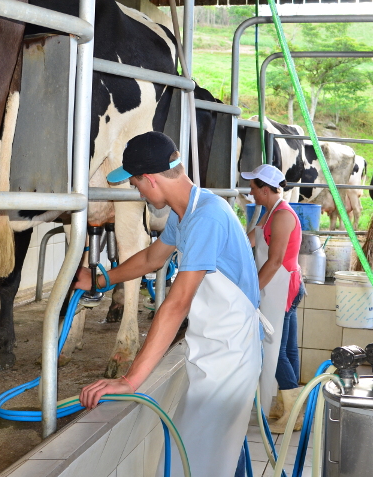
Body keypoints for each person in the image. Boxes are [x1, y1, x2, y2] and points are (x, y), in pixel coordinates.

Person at [76, 131, 262, 477]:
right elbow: (151, 259)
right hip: (212, 346)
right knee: (203, 456)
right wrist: (100, 280)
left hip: (230, 354)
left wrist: (130, 381)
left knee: (200, 461)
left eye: (135, 183)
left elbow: (176, 305)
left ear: (150, 180)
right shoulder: (185, 212)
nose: (136, 191)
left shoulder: (207, 216)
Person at [242, 164, 306, 434]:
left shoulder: (282, 216)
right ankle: (287, 404)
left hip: (284, 287)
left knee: (276, 349)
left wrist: (252, 292)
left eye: (254, 188)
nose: (251, 192)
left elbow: (276, 260)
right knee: (288, 348)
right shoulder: (270, 213)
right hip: (283, 286)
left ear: (265, 190)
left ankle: (293, 411)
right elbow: (251, 239)